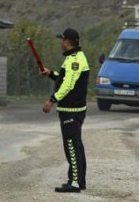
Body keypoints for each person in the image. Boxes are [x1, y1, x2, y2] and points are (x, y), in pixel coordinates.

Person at [41, 27, 90, 194]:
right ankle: (79, 181)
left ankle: (75, 183)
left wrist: (52, 100)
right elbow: (65, 79)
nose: (60, 42)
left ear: (67, 42)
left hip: (72, 109)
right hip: (72, 108)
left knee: (71, 145)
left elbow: (68, 85)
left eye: (61, 39)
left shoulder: (75, 59)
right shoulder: (72, 58)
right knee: (76, 145)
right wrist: (51, 74)